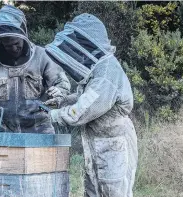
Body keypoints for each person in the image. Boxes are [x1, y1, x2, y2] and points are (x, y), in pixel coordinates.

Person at [45, 13, 138, 197]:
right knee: (93, 191)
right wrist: (61, 101)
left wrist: (53, 115)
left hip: (113, 146)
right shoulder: (97, 69)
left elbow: (82, 111)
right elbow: (85, 98)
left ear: (88, 43)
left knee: (112, 192)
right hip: (98, 144)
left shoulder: (106, 73)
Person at [0, 5, 70, 134]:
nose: (13, 49)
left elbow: (62, 83)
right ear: (1, 43)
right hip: (4, 131)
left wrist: (58, 92)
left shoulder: (42, 56)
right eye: (8, 46)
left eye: (16, 44)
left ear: (24, 37)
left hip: (40, 130)